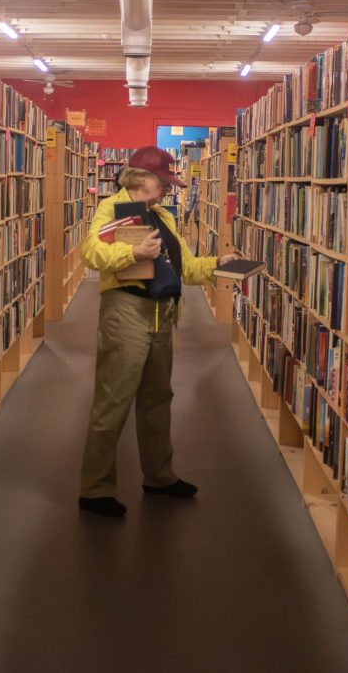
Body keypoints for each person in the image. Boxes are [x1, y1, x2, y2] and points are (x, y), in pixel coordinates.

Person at [77, 145, 237, 518]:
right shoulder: (112, 209)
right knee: (112, 401)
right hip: (127, 311)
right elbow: (90, 252)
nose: (168, 189)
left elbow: (185, 268)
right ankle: (95, 488)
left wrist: (219, 265)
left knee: (157, 399)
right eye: (163, 182)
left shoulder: (162, 215)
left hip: (163, 314)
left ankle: (160, 477)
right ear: (140, 179)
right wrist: (131, 255)